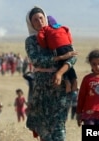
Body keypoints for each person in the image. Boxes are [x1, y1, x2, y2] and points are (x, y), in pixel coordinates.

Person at [25, 6, 78, 141]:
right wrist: (58, 58)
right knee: (44, 128)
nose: (39, 22)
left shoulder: (56, 33)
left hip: (60, 87)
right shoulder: (31, 41)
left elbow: (72, 56)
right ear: (31, 23)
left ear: (45, 18)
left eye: (41, 18)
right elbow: (36, 61)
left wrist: (60, 72)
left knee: (59, 125)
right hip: (41, 88)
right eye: (35, 20)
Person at [37, 15, 78, 94]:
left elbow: (40, 36)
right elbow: (69, 34)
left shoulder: (45, 28)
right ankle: (74, 81)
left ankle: (67, 82)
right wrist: (68, 43)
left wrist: (45, 45)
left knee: (61, 64)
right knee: (69, 65)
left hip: (58, 49)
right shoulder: (63, 27)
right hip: (68, 47)